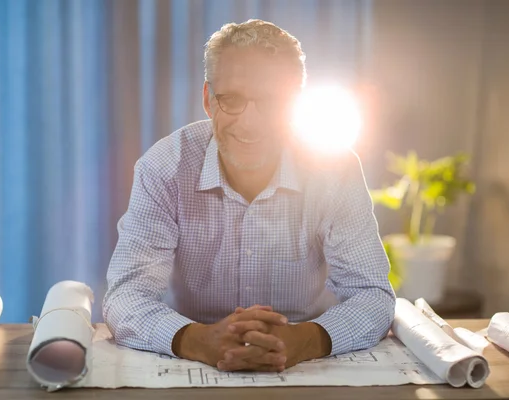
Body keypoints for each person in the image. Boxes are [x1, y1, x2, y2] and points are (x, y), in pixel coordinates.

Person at [103, 19, 395, 373]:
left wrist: (303, 341)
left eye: (271, 102)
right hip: (194, 363)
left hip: (304, 365)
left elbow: (372, 293)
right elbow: (125, 294)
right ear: (209, 100)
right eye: (233, 100)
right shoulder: (164, 167)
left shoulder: (336, 168)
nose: (250, 122)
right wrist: (199, 340)